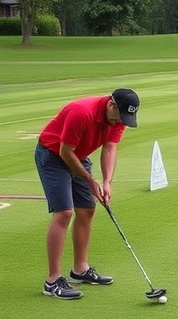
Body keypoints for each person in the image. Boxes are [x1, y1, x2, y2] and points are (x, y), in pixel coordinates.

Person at [34, 88, 140, 300]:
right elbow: (65, 151)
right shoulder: (82, 113)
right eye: (120, 116)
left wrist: (107, 182)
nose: (121, 122)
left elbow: (110, 147)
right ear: (111, 104)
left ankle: (80, 270)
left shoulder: (118, 119)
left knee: (87, 210)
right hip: (53, 155)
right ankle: (52, 281)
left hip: (78, 155)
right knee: (64, 212)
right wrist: (91, 181)